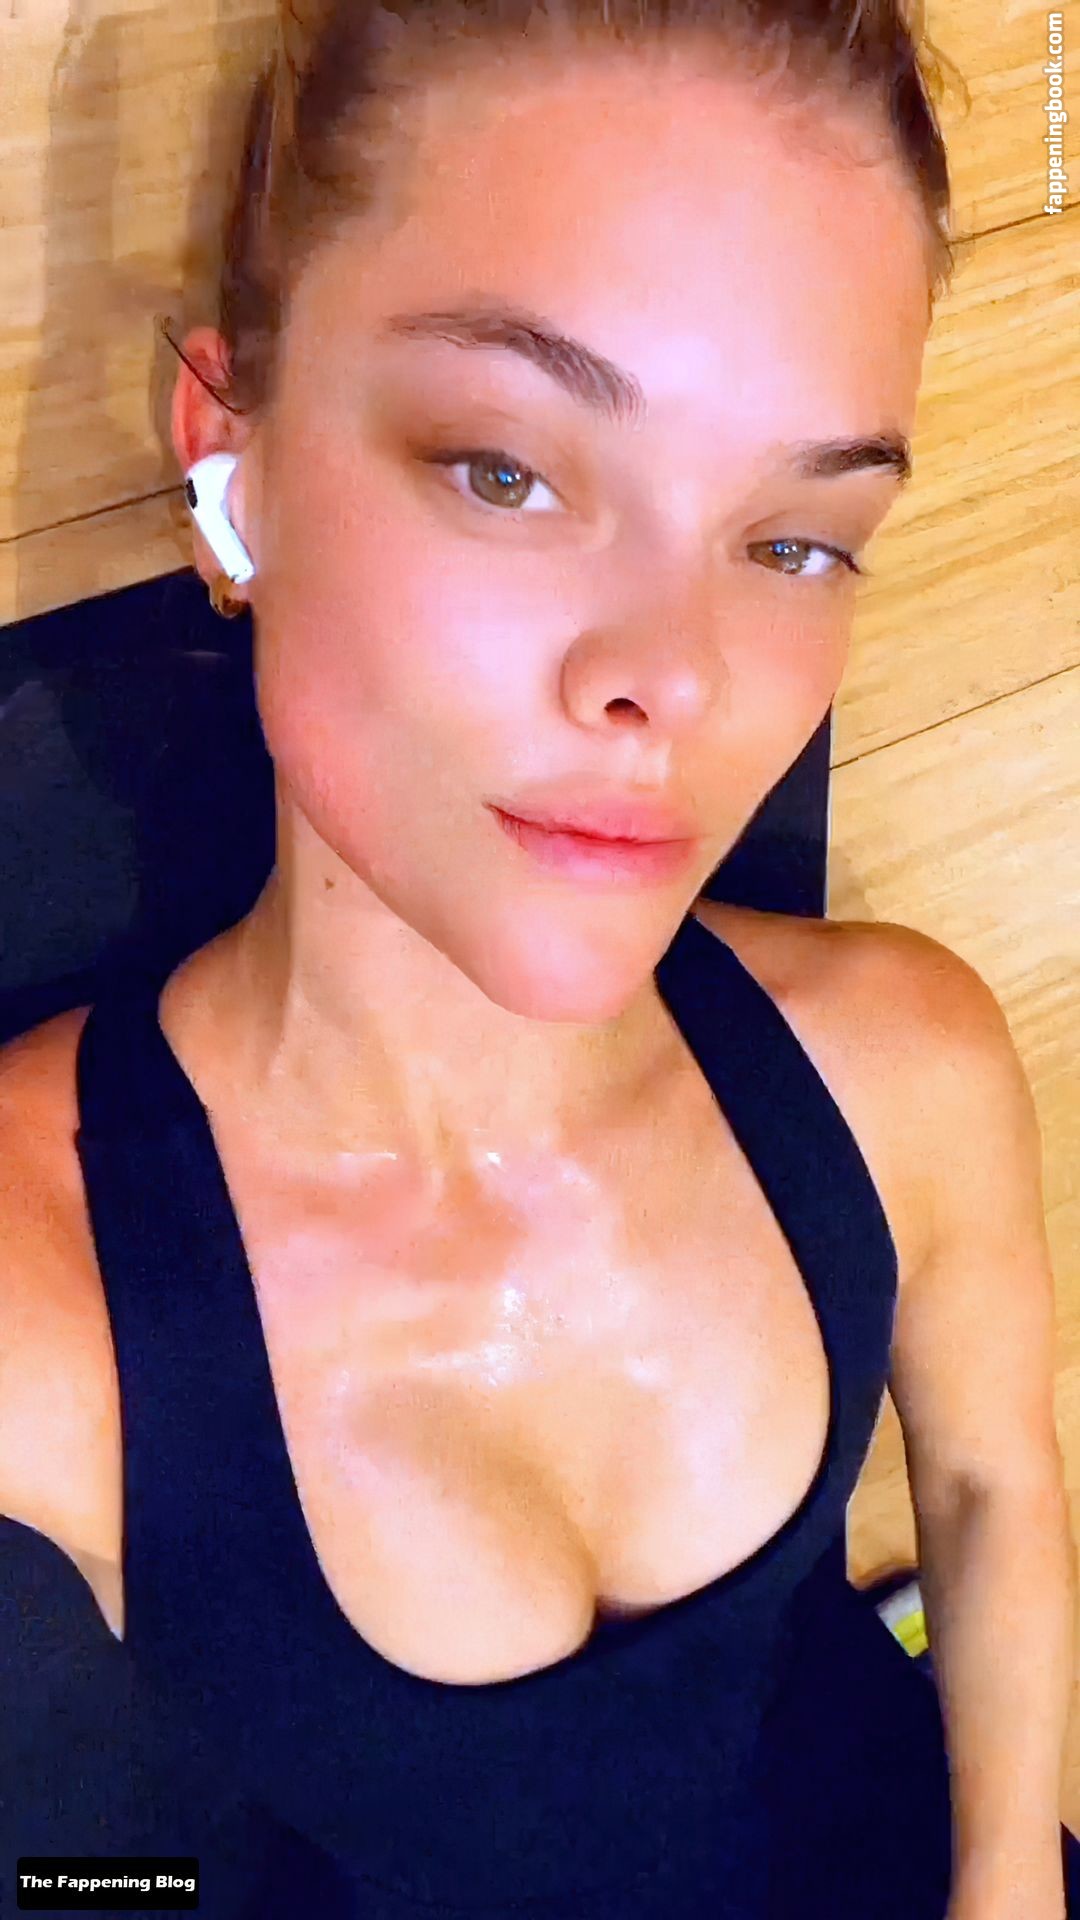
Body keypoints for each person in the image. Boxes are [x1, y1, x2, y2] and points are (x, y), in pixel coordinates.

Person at [1, 0, 1076, 1914]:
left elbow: (995, 1486)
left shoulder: (898, 1064)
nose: (676, 677)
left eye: (796, 540)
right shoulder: (36, 1292)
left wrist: (1010, 1886)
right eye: (507, 470)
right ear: (233, 465)